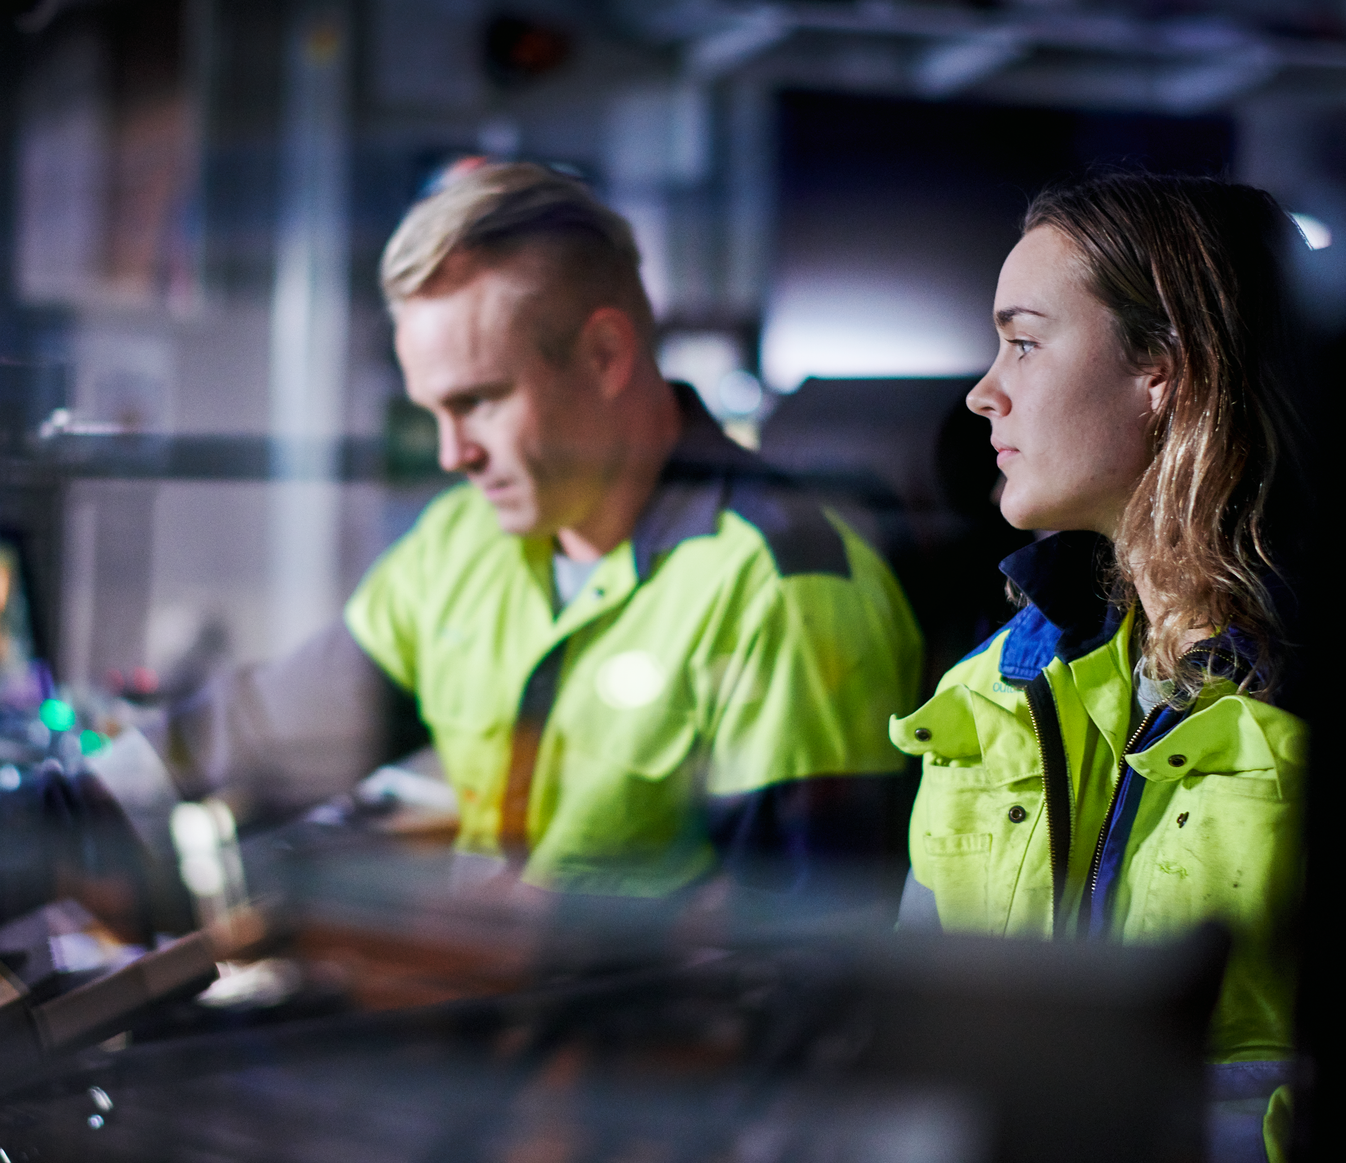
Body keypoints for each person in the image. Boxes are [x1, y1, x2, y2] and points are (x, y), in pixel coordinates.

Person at [321, 161, 924, 904]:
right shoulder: (462, 536)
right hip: (484, 999)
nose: (454, 454)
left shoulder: (784, 590)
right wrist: (150, 764)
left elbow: (798, 955)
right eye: (434, 411)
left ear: (604, 356)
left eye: (477, 401)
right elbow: (293, 719)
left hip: (634, 1019)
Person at [889, 173, 1305, 1160]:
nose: (981, 390)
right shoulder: (988, 693)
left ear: (1160, 365)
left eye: (1023, 342)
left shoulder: (1315, 700)